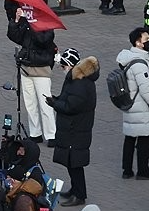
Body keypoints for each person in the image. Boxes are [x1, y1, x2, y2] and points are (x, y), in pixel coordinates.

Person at [46, 49, 98, 207]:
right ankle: (75, 189)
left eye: (63, 66)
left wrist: (54, 103)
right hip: (74, 128)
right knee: (72, 162)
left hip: (75, 129)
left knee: (75, 163)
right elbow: (68, 100)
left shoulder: (79, 83)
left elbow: (71, 106)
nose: (62, 69)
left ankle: (80, 194)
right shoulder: (77, 80)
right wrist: (57, 100)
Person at [117, 27, 149, 180]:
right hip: (141, 107)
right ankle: (143, 170)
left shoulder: (131, 58)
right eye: (146, 39)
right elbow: (146, 90)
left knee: (130, 137)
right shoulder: (140, 64)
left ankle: (127, 169)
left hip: (131, 105)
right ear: (138, 43)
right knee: (144, 138)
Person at [8, 7, 58, 146]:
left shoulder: (47, 25)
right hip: (26, 68)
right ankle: (35, 133)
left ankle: (51, 134)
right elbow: (15, 37)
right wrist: (17, 21)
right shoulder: (27, 23)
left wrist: (31, 23)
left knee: (45, 103)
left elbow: (42, 41)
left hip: (41, 69)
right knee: (30, 103)